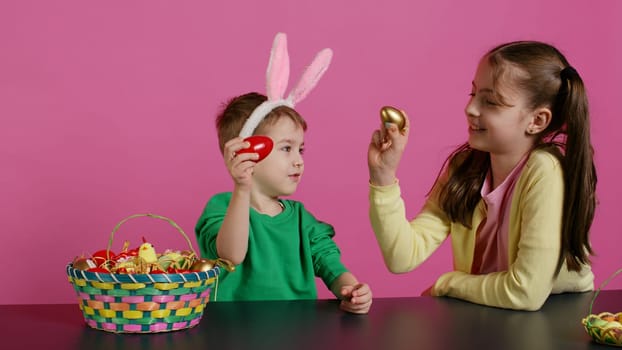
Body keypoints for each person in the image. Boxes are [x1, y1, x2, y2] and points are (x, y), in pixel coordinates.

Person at [368, 41, 596, 311]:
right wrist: (383, 176)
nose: (471, 108)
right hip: (491, 309)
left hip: (556, 314)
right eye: (473, 93)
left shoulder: (545, 170)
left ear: (537, 120)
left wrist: (448, 284)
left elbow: (525, 292)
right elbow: (401, 256)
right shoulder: (465, 168)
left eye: (490, 101)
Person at [195, 33, 372, 314]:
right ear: (249, 151)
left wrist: (351, 289)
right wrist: (242, 188)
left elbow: (330, 264)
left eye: (301, 150)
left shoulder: (302, 219)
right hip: (232, 332)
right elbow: (231, 255)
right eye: (287, 149)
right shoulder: (220, 208)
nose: (299, 161)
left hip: (296, 331)